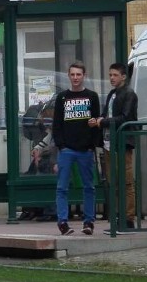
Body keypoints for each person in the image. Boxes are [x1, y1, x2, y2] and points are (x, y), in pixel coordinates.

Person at [52, 61, 102, 236]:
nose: (75, 78)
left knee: (89, 186)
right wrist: (61, 145)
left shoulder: (92, 97)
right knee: (62, 187)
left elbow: (97, 122)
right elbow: (56, 124)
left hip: (85, 150)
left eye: (78, 74)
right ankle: (63, 222)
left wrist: (91, 146)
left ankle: (88, 221)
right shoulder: (62, 98)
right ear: (68, 76)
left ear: (84, 76)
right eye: (72, 74)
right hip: (67, 150)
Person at [89, 62, 138, 231]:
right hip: (109, 142)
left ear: (123, 76)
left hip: (122, 143)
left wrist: (103, 122)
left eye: (115, 75)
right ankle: (118, 217)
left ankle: (128, 218)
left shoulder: (129, 94)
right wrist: (98, 120)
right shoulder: (112, 94)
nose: (111, 78)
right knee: (113, 181)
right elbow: (107, 114)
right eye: (110, 75)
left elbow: (124, 117)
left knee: (126, 182)